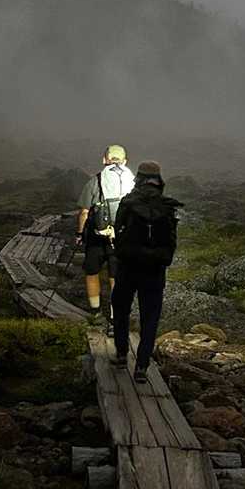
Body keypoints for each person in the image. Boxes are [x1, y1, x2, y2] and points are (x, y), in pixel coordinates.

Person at [111, 161, 180, 383]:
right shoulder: (167, 206)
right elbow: (171, 240)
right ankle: (142, 366)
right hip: (155, 269)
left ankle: (121, 354)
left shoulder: (129, 202)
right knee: (150, 317)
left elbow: (118, 230)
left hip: (128, 266)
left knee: (120, 308)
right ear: (159, 179)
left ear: (138, 178)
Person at [76, 144, 135, 325]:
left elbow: (84, 212)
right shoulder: (132, 181)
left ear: (104, 160)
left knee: (92, 272)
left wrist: (79, 234)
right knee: (115, 278)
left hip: (97, 237)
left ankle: (95, 313)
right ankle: (115, 318)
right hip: (122, 238)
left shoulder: (96, 181)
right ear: (125, 161)